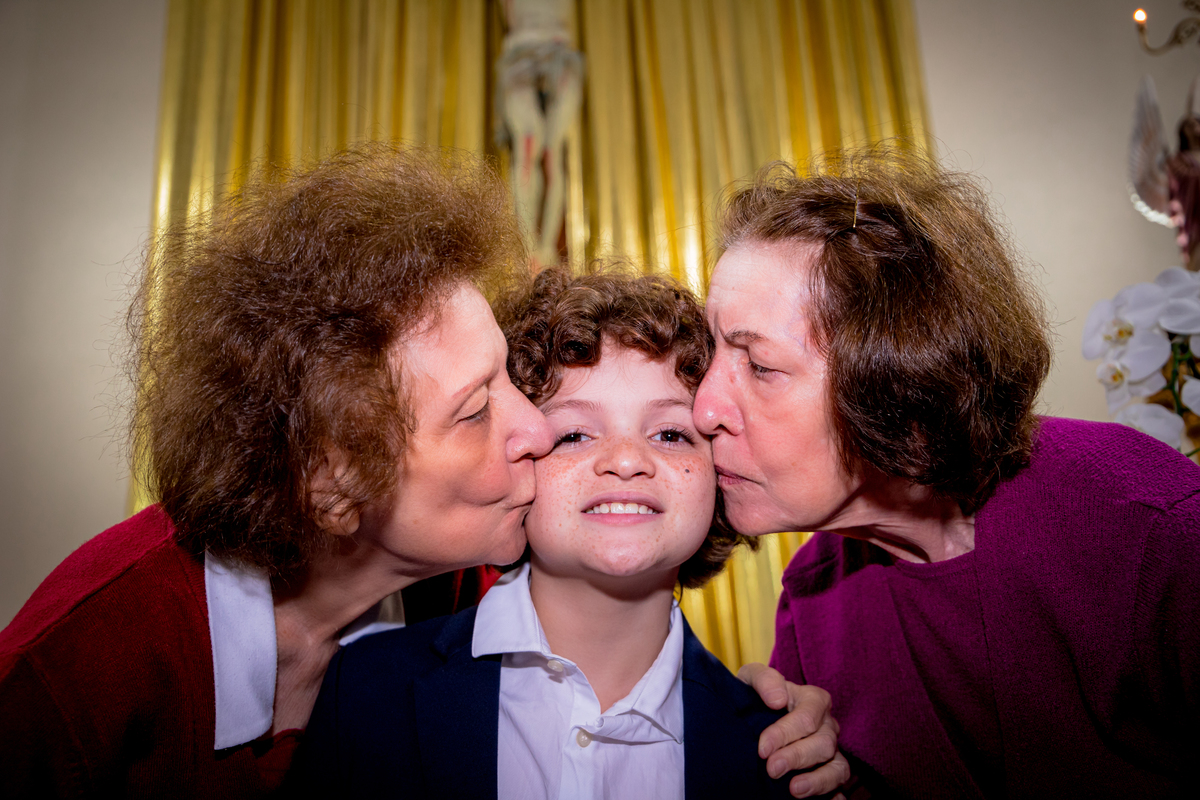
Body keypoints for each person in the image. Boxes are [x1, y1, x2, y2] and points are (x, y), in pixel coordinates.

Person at [0, 144, 555, 797]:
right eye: (476, 410)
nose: (538, 431)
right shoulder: (75, 674)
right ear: (330, 480)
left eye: (507, 376)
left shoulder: (464, 598)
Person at [693, 148, 1200, 798]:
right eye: (712, 355)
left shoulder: (1144, 525)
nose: (703, 407)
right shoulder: (811, 603)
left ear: (900, 384)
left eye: (759, 367)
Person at [294, 267, 850, 799]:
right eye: (577, 434)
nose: (627, 460)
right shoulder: (363, 690)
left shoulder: (779, 756)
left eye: (673, 434)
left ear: (720, 476)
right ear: (519, 458)